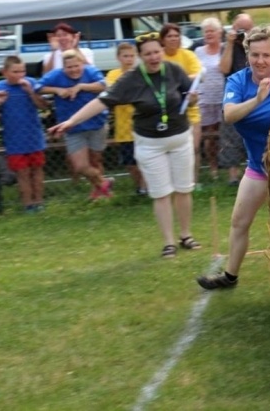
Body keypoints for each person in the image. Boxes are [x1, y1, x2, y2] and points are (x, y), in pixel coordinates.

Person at [49, 33, 202, 258]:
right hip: (150, 144)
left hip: (180, 139)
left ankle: (186, 235)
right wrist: (71, 122)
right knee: (160, 193)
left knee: (183, 189)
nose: (153, 57)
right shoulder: (131, 79)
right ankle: (169, 242)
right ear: (140, 56)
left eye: (156, 52)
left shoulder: (174, 70)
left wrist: (193, 99)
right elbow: (101, 101)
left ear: (161, 51)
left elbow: (191, 96)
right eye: (147, 53)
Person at [197, 26, 270, 290]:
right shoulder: (238, 81)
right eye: (255, 55)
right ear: (248, 55)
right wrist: (257, 99)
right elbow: (229, 115)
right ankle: (230, 277)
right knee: (239, 221)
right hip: (258, 167)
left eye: (266, 55)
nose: (260, 61)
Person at [37, 51, 113, 199]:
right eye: (69, 67)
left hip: (96, 123)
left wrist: (81, 86)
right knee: (80, 166)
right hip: (72, 127)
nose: (73, 70)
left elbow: (103, 85)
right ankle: (105, 182)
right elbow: (38, 87)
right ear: (63, 67)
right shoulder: (56, 75)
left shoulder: (91, 72)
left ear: (82, 64)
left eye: (76, 66)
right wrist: (57, 90)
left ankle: (101, 192)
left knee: (95, 160)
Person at [0, 56, 48, 212]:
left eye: (23, 71)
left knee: (37, 169)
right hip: (14, 139)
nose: (20, 75)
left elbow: (44, 106)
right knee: (22, 173)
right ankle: (28, 205)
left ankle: (39, 202)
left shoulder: (31, 83)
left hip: (34, 136)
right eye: (15, 71)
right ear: (5, 72)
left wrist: (30, 92)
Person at [160, 23, 204, 185]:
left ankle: (194, 181)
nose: (173, 39)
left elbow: (199, 75)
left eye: (176, 36)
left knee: (194, 148)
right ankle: (175, 182)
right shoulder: (160, 57)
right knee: (172, 151)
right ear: (162, 39)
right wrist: (185, 80)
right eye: (169, 36)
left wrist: (174, 81)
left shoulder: (187, 55)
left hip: (190, 107)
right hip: (168, 111)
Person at [105, 43, 147, 195]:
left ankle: (144, 189)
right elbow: (112, 92)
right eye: (125, 56)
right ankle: (139, 186)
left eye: (132, 56)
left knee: (143, 160)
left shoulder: (141, 73)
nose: (129, 59)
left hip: (140, 125)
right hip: (123, 128)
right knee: (130, 163)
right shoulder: (113, 74)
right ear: (118, 58)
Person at [218, 14, 254, 186]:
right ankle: (233, 177)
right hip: (234, 96)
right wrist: (231, 43)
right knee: (230, 136)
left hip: (254, 95)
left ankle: (256, 171)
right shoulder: (227, 46)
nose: (242, 33)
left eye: (246, 29)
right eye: (239, 29)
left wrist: (248, 42)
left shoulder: (255, 47)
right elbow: (224, 68)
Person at [195, 17, 226, 179]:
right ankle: (212, 167)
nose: (208, 34)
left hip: (222, 97)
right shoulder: (198, 51)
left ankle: (226, 165)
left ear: (219, 32)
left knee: (223, 134)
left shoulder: (225, 49)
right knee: (208, 136)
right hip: (204, 99)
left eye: (212, 30)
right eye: (205, 31)